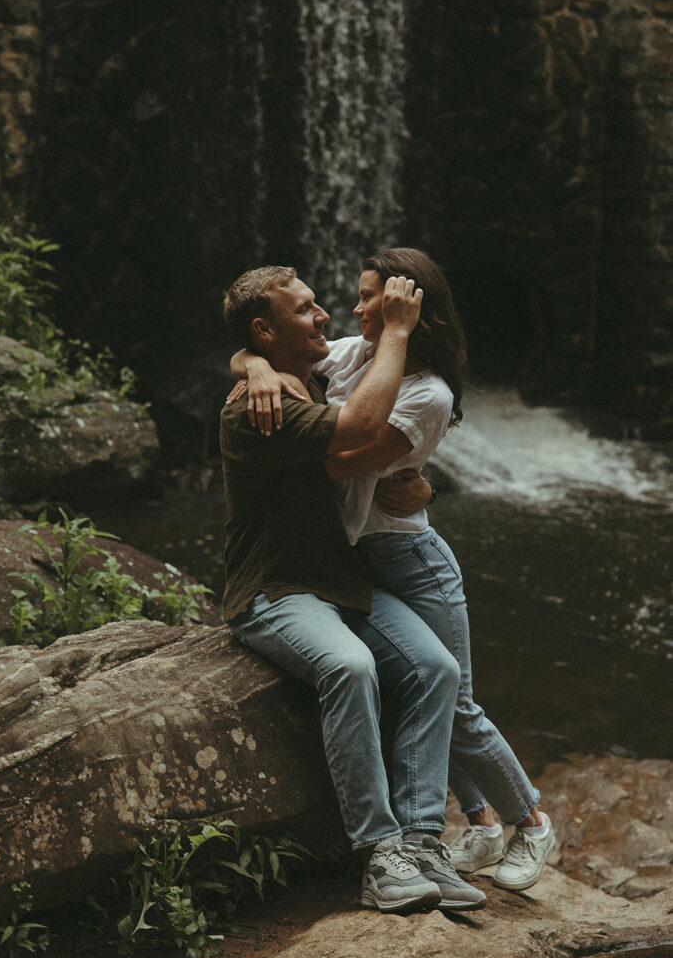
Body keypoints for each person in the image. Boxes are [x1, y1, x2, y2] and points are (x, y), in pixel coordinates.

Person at [228, 248, 556, 892]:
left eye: (362, 298)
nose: (336, 313)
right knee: (361, 670)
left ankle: (451, 835)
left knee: (442, 681)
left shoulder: (382, 381)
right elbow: (347, 423)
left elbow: (357, 447)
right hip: (305, 578)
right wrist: (253, 364)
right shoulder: (296, 386)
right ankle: (393, 849)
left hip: (385, 565)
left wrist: (423, 486)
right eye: (310, 308)